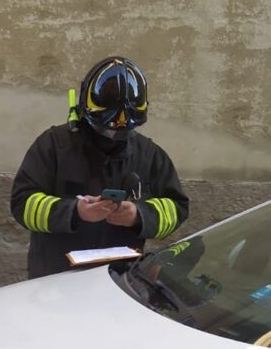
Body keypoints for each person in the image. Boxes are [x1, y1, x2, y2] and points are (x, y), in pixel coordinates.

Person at [10, 56, 190, 278]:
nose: (114, 136)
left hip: (118, 282)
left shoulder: (150, 155)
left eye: (123, 132)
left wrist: (139, 215)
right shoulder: (53, 145)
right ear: (86, 112)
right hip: (55, 279)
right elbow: (22, 203)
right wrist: (74, 212)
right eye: (105, 130)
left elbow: (177, 208)